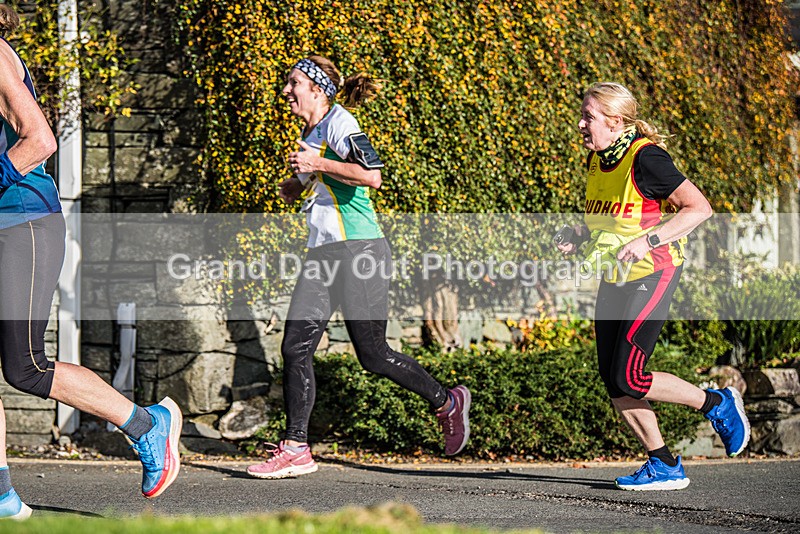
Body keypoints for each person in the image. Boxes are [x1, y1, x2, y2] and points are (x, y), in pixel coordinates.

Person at [246, 55, 471, 479]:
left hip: (360, 250)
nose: (286, 91)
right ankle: (296, 447)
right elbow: (331, 181)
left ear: (317, 88)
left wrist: (317, 165)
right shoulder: (312, 129)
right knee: (295, 347)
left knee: (373, 353)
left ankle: (447, 401)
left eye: (293, 83)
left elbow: (372, 175)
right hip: (325, 252)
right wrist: (299, 185)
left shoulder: (340, 122)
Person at [0, 6, 182, 520]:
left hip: (24, 226)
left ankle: (147, 426)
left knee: (27, 367)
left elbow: (41, 140)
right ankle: (3, 497)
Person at [556, 82, 749, 491]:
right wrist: (578, 233)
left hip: (653, 271)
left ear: (615, 121)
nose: (580, 123)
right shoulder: (597, 161)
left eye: (588, 116)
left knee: (629, 375)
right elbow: (612, 220)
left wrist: (649, 240)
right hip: (617, 275)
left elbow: (699, 208)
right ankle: (663, 464)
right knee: (613, 378)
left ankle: (716, 402)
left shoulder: (646, 158)